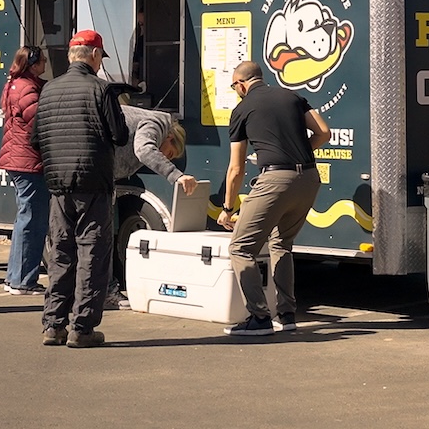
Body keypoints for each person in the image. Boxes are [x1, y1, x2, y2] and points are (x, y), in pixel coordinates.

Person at [30, 29, 128, 348]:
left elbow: (35, 139)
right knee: (92, 254)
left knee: (60, 252)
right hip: (93, 182)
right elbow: (120, 135)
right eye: (101, 58)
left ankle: (53, 325)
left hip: (58, 183)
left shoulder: (49, 90)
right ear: (94, 55)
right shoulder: (102, 90)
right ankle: (82, 328)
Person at [218, 60, 329, 337]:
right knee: (282, 243)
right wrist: (298, 152)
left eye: (234, 86)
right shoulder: (292, 97)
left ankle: (259, 317)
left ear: (241, 84)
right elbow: (323, 133)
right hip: (308, 179)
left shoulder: (242, 110)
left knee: (241, 248)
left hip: (275, 180)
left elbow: (236, 169)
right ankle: (287, 315)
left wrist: (227, 208)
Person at [108, 104, 197, 305]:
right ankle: (105, 292)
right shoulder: (157, 122)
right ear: (170, 138)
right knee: (99, 237)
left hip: (95, 173)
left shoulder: (147, 121)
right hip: (99, 176)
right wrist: (176, 175)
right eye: (170, 154)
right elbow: (144, 149)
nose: (164, 158)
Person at [0, 45, 48, 295]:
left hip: (19, 161)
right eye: (43, 61)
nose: (46, 63)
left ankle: (15, 278)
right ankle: (23, 281)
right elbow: (39, 121)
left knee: (24, 220)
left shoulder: (16, 84)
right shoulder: (27, 88)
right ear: (33, 64)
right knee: (32, 221)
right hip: (28, 162)